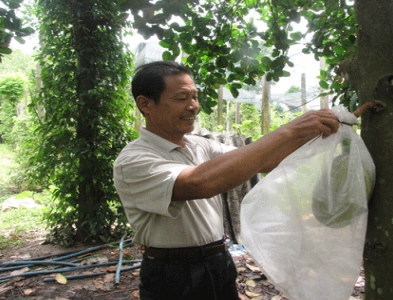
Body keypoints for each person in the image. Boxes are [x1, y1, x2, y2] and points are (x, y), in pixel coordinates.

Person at [113, 61, 339, 300]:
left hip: (218, 262)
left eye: (194, 97)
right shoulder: (134, 160)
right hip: (172, 274)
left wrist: (324, 132)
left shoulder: (199, 144)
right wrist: (288, 130)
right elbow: (200, 183)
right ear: (145, 104)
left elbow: (264, 161)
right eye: (181, 98)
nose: (193, 107)